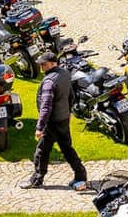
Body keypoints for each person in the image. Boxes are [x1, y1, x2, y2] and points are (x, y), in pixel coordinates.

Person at [20, 52, 87, 191]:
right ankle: (80, 175)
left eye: (44, 64)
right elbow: (71, 95)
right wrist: (69, 112)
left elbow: (45, 107)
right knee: (67, 148)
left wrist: (40, 127)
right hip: (63, 119)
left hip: (52, 122)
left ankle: (37, 179)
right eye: (41, 64)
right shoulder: (65, 74)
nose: (41, 67)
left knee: (41, 151)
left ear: (52, 63)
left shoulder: (49, 82)